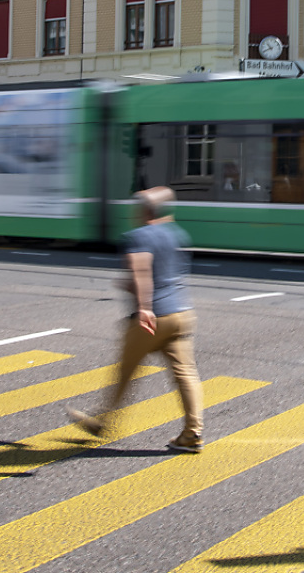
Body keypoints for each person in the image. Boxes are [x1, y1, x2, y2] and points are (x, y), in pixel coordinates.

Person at [67, 186, 204, 453]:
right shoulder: (177, 234)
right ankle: (193, 433)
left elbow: (141, 270)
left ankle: (102, 421)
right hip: (182, 314)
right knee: (186, 374)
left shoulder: (138, 236)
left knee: (126, 372)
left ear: (144, 211)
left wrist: (144, 307)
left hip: (154, 318)